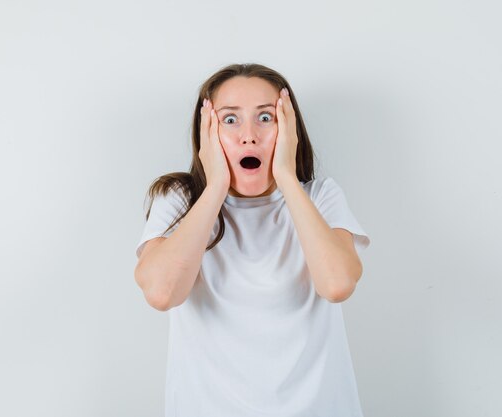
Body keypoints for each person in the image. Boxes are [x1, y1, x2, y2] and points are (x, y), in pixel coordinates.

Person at [134, 63, 371, 417]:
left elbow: (337, 284)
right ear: (208, 132)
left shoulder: (321, 196)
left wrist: (287, 178)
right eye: (230, 120)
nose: (249, 136)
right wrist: (214, 186)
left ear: (289, 128)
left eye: (266, 118)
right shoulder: (179, 201)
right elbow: (163, 293)